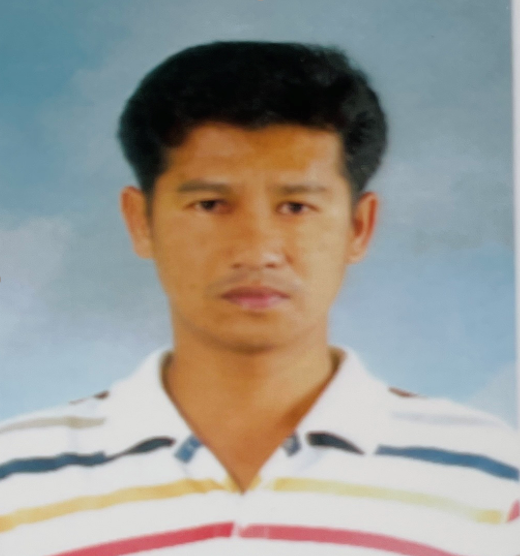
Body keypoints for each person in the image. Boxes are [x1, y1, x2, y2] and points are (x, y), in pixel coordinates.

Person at [0, 41, 518, 556]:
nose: (257, 250)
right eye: (210, 204)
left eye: (295, 206)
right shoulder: (15, 481)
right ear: (141, 222)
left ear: (359, 227)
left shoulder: (489, 478)